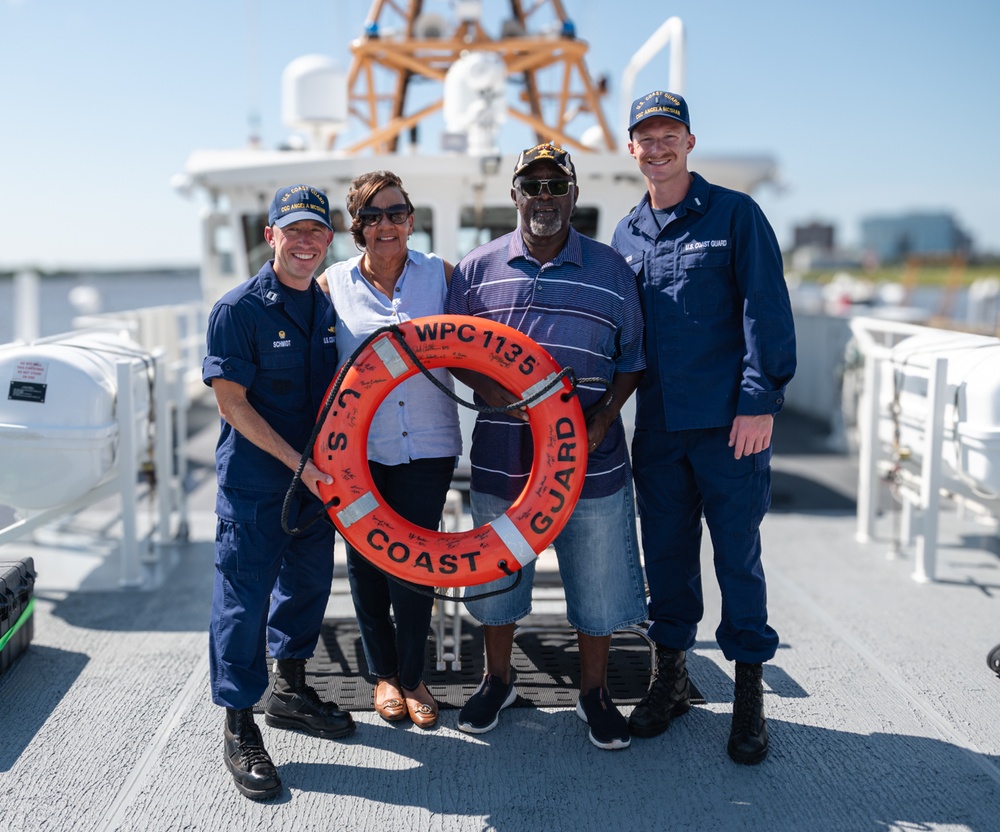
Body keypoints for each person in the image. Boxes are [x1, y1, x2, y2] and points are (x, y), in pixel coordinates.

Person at [611, 91, 797, 764]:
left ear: (689, 142)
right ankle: (672, 681)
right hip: (658, 429)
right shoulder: (626, 234)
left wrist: (758, 400)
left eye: (669, 135)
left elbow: (766, 311)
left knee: (736, 560)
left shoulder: (734, 215)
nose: (656, 147)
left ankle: (749, 699)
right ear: (631, 149)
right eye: (645, 138)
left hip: (728, 427)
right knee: (666, 560)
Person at [445, 143, 647, 750]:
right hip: (504, 459)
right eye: (532, 186)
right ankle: (498, 680)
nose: (544, 198)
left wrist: (607, 414)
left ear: (573, 195)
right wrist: (493, 391)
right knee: (498, 579)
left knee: (599, 583)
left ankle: (594, 692)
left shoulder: (612, 270)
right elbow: (452, 353)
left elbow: (632, 359)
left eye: (556, 186)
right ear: (514, 194)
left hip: (592, 460)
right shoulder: (477, 270)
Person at [203, 184, 355, 800]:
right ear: (270, 237)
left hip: (317, 483)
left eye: (316, 232)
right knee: (244, 601)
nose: (305, 242)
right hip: (259, 485)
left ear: (327, 240)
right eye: (293, 231)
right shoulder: (238, 310)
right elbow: (231, 402)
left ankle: (289, 690)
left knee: (307, 588)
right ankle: (239, 723)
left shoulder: (324, 305)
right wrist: (299, 464)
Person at [319, 170, 461, 730]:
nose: (386, 225)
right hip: (358, 451)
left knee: (416, 560)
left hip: (428, 444)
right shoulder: (333, 285)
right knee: (366, 561)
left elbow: (489, 337)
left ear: (410, 218)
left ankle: (412, 676)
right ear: (357, 227)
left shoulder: (441, 276)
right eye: (373, 216)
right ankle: (382, 675)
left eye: (396, 213)